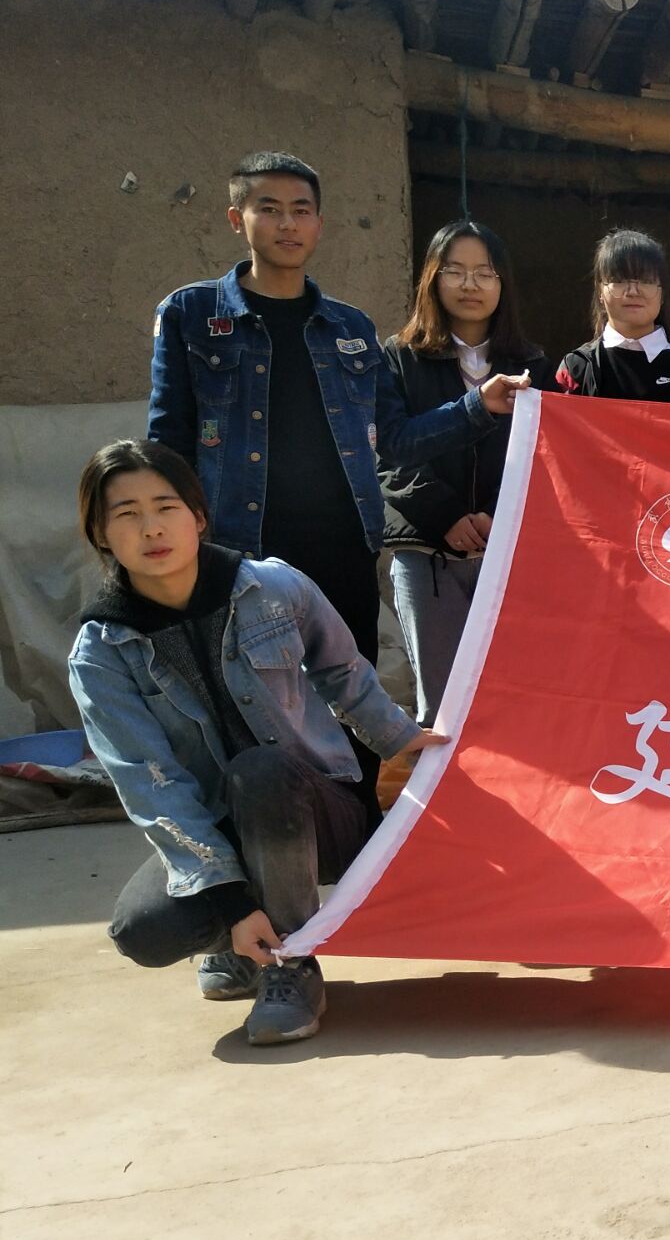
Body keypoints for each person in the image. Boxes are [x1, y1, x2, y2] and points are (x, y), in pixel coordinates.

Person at [149, 152, 523, 814]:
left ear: (319, 224)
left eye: (301, 211)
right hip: (239, 548)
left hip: (343, 548)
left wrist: (477, 407)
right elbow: (167, 440)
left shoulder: (349, 329)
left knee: (351, 700)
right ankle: (267, 839)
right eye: (269, 209)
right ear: (237, 219)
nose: (287, 224)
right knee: (252, 704)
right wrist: (175, 538)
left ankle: (356, 838)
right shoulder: (192, 314)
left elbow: (395, 439)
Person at [67, 441, 437, 1045]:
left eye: (165, 507)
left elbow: (344, 673)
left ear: (198, 517)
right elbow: (150, 784)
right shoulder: (101, 653)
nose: (152, 528)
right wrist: (231, 903)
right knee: (144, 932)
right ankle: (243, 941)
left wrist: (406, 742)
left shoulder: (272, 586)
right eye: (127, 514)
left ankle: (291, 965)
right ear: (100, 533)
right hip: (220, 830)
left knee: (261, 770)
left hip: (317, 813)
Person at [379, 220, 551, 727]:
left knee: (518, 701)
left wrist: (497, 516)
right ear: (432, 279)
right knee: (444, 709)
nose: (470, 284)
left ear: (503, 284)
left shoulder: (535, 365)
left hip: (509, 555)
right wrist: (445, 514)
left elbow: (548, 458)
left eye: (485, 273)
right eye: (455, 271)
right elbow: (388, 451)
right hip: (427, 557)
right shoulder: (399, 357)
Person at [555, 229, 670, 404]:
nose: (633, 291)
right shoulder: (576, 368)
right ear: (600, 291)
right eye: (619, 280)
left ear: (662, 293)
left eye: (646, 281)